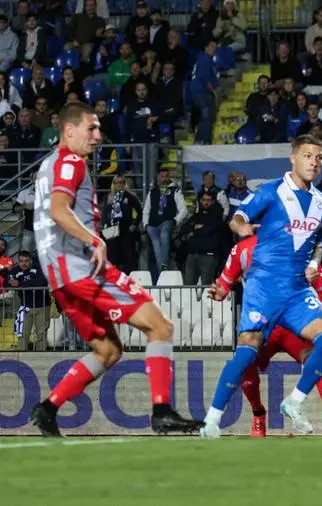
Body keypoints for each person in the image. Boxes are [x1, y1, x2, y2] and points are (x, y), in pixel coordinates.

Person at [29, 102, 201, 437]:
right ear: (68, 131)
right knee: (161, 327)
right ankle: (162, 411)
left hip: (59, 275)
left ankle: (47, 408)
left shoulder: (50, 164)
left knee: (108, 351)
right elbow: (59, 211)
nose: (98, 135)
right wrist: (95, 240)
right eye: (90, 128)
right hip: (80, 268)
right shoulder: (69, 161)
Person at [201, 136, 322, 439]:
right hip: (263, 288)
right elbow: (239, 216)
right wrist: (241, 227)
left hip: (295, 290)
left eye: (319, 158)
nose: (314, 162)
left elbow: (318, 242)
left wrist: (314, 262)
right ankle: (212, 421)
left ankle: (294, 402)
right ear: (293, 158)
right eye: (308, 156)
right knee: (245, 356)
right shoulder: (272, 191)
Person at [209, 235, 322, 438]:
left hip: (292, 328)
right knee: (245, 364)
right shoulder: (243, 250)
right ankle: (258, 413)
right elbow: (224, 286)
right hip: (264, 327)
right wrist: (218, 293)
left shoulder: (299, 252)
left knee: (317, 361)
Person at [142, 167, 187, 277]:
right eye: (162, 176)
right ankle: (162, 273)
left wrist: (175, 221)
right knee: (157, 249)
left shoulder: (175, 190)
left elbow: (184, 210)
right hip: (152, 225)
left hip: (167, 222)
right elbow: (146, 210)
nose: (164, 179)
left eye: (166, 176)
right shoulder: (152, 192)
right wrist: (146, 225)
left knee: (164, 235)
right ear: (158, 178)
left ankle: (164, 264)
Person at [9, 250, 51, 350]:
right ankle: (21, 360)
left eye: (26, 261)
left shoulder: (39, 268)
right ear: (18, 261)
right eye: (21, 261)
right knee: (23, 334)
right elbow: (7, 283)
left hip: (42, 306)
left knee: (41, 334)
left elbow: (41, 282)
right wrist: (25, 283)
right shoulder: (14, 271)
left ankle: (41, 358)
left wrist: (20, 284)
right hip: (25, 307)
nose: (24, 263)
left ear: (31, 261)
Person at [102, 174, 143, 274]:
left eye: (122, 182)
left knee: (128, 256)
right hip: (112, 230)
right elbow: (104, 213)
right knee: (112, 255)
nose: (119, 185)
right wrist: (104, 225)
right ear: (114, 184)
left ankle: (129, 278)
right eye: (117, 182)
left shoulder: (130, 196)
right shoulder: (108, 197)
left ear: (125, 184)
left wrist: (135, 224)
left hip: (126, 229)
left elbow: (140, 211)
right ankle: (113, 278)